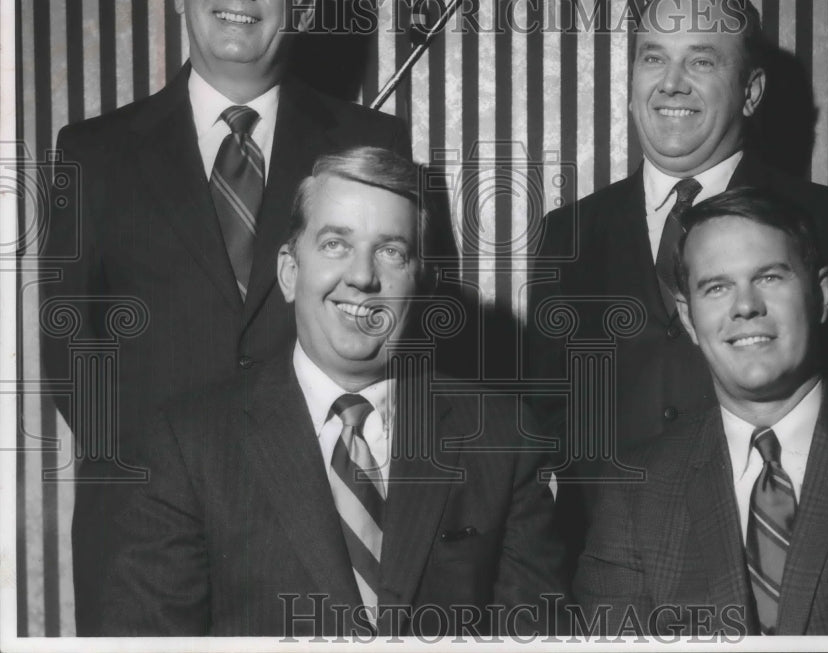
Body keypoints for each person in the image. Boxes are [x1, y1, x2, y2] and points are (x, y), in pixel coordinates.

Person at [40, 0, 410, 634]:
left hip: (321, 527)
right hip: (142, 539)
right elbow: (71, 351)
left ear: (300, 1)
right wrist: (167, 479)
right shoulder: (94, 152)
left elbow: (401, 331)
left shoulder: (370, 146)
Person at [97, 148, 566, 637]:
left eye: (391, 251)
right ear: (289, 272)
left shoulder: (500, 437)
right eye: (336, 244)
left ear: (420, 287)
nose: (363, 276)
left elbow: (537, 635)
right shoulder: (189, 444)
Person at [525, 0, 828, 564]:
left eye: (701, 61)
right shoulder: (569, 233)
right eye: (654, 57)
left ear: (751, 92)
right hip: (609, 570)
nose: (671, 83)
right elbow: (543, 416)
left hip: (780, 556)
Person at [573, 189, 828, 635]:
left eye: (769, 277)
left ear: (821, 293)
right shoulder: (634, 487)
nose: (746, 306)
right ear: (689, 319)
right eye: (717, 287)